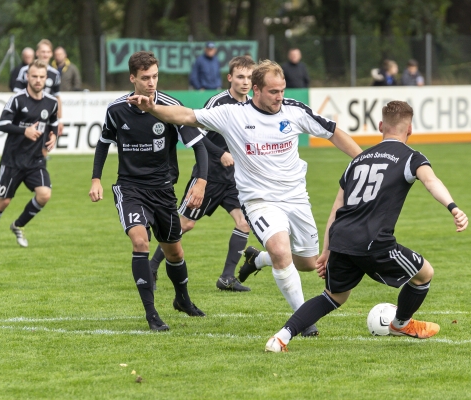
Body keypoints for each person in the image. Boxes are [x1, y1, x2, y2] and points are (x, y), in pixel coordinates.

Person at [127, 60, 363, 337]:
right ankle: (304, 320)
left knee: (309, 263)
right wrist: (152, 108)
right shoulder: (232, 114)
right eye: (273, 92)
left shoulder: (294, 110)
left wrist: (365, 161)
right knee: (280, 250)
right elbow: (187, 116)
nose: (280, 97)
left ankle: (256, 259)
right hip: (259, 200)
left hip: (297, 199)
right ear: (256, 90)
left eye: (282, 90)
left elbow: (334, 133)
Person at [264, 101, 469, 353]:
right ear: (410, 130)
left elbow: (336, 208)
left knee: (333, 297)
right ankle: (400, 324)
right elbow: (431, 181)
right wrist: (453, 207)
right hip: (374, 242)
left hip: (341, 239)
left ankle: (281, 337)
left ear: (381, 126)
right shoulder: (411, 157)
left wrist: (327, 250)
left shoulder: (358, 159)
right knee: (424, 274)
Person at [88, 51, 209, 331]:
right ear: (132, 78)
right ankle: (151, 313)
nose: (151, 83)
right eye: (145, 78)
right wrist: (96, 178)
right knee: (140, 242)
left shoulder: (169, 107)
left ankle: (182, 299)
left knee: (174, 253)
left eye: (155, 76)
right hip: (130, 188)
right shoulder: (116, 110)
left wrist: (201, 181)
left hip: (163, 190)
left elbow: (199, 146)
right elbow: (104, 143)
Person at [149, 56, 256, 293]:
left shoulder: (252, 105)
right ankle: (151, 267)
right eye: (240, 77)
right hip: (208, 176)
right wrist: (221, 153)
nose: (245, 82)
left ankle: (227, 278)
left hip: (233, 180)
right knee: (184, 224)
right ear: (230, 78)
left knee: (244, 222)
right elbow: (197, 135)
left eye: (249, 77)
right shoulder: (218, 102)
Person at [0, 59, 58, 248]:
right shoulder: (17, 100)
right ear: (27, 77)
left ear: (46, 78)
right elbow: (2, 124)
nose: (38, 80)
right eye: (34, 76)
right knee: (3, 202)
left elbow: (53, 123)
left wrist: (53, 136)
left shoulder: (51, 102)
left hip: (35, 160)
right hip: (12, 161)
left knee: (44, 195)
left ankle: (18, 225)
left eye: (41, 77)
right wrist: (24, 131)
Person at [14, 39, 63, 136]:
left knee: (44, 148)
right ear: (37, 53)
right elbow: (17, 95)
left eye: (48, 52)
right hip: (27, 115)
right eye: (43, 52)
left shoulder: (55, 74)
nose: (45, 55)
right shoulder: (25, 70)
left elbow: (57, 97)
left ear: (51, 54)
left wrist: (60, 119)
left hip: (46, 116)